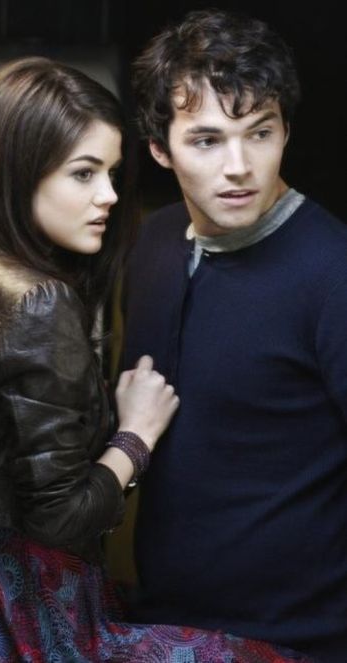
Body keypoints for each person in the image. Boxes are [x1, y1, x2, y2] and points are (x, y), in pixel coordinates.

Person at [0, 56, 311, 662]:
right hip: (29, 620)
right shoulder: (38, 301)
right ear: (15, 171)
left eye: (112, 173)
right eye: (84, 174)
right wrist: (135, 435)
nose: (110, 196)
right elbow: (62, 518)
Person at [122, 8, 347, 663]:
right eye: (207, 140)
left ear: (285, 132)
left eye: (261, 133)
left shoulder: (333, 271)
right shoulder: (154, 241)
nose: (240, 166)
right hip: (165, 626)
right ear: (160, 148)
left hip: (297, 641)